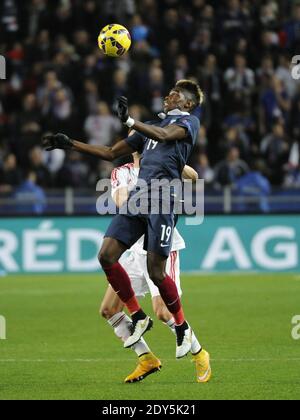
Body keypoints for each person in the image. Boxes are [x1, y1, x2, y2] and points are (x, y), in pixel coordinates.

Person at [43, 79, 211, 383]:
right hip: (139, 202)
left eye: (175, 94)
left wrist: (132, 121)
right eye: (169, 91)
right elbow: (110, 152)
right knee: (106, 258)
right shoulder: (144, 136)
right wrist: (71, 144)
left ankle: (190, 339)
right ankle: (139, 324)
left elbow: (167, 140)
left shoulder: (188, 123)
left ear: (186, 103)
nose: (168, 96)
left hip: (162, 200)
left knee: (161, 293)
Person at [100, 150, 202, 383]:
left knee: (163, 311)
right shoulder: (122, 172)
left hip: (161, 248)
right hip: (133, 249)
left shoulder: (163, 166)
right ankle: (146, 358)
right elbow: (121, 202)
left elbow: (194, 177)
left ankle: (199, 354)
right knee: (109, 309)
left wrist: (172, 162)